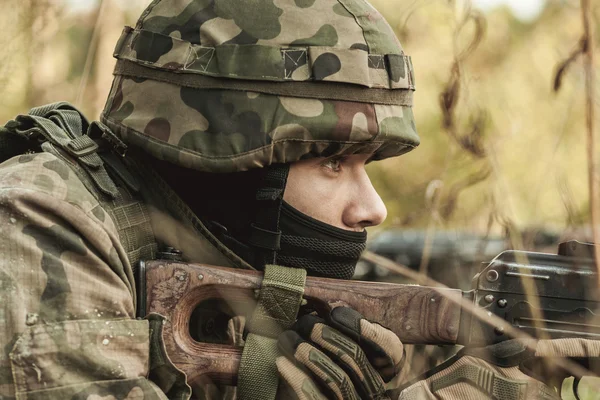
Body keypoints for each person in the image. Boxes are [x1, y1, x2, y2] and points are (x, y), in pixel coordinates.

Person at [0, 1, 596, 399]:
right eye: (333, 162)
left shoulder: (228, 239)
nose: (373, 208)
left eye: (366, 164)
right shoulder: (40, 222)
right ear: (229, 159)